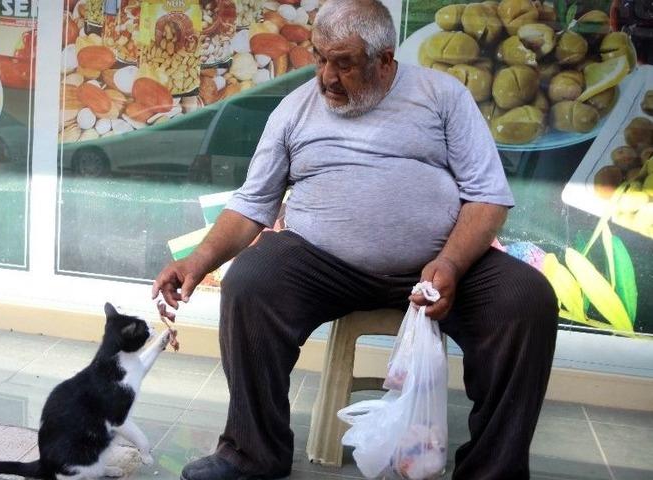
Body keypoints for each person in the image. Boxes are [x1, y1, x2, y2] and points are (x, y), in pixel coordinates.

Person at [152, 0, 559, 478]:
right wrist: (197, 261)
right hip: (321, 263)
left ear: (384, 60)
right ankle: (251, 453)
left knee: (525, 299)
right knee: (250, 284)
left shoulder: (442, 95)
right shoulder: (295, 109)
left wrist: (451, 262)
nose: (326, 77)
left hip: (440, 264)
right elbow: (253, 204)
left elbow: (487, 197)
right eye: (320, 58)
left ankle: (494, 470)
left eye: (343, 63)